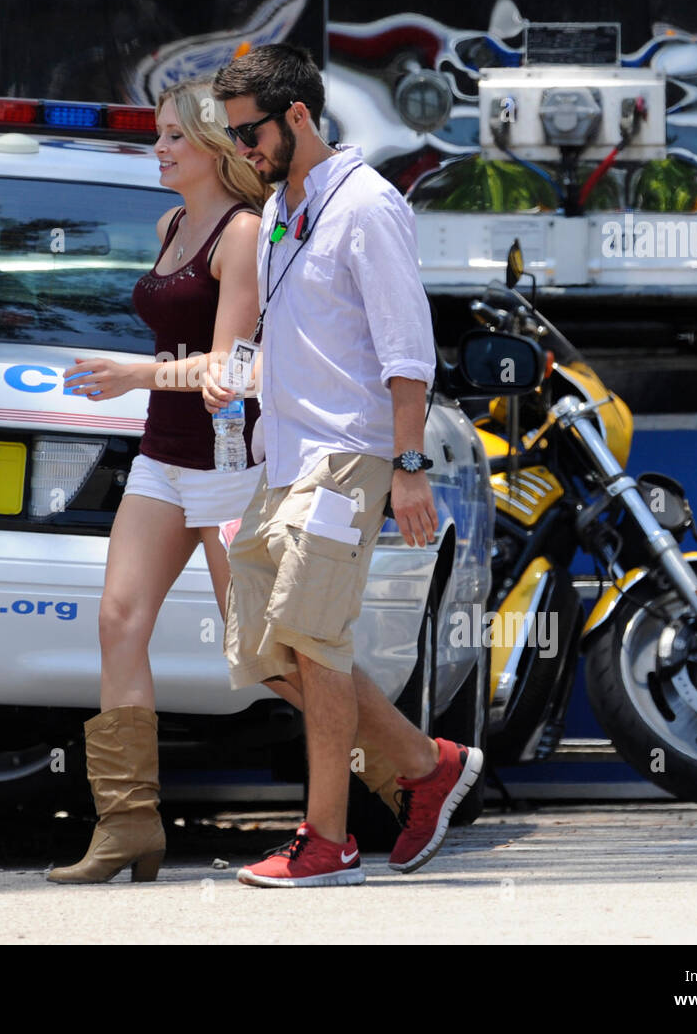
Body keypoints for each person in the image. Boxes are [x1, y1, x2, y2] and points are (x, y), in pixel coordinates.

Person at [208, 43, 484, 887]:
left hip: (348, 455)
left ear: (297, 116)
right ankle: (420, 760)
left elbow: (407, 347)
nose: (241, 150)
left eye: (249, 132)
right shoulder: (285, 207)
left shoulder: (366, 205)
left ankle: (327, 839)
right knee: (262, 650)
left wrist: (408, 466)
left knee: (315, 641)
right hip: (281, 459)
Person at [46, 79, 268, 883]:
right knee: (118, 618)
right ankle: (128, 825)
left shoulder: (240, 233)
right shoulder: (173, 222)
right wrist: (143, 384)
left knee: (264, 649)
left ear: (213, 145)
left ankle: (411, 762)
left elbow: (233, 365)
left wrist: (133, 373)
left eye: (175, 136)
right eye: (158, 134)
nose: (161, 148)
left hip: (225, 462)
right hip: (163, 456)